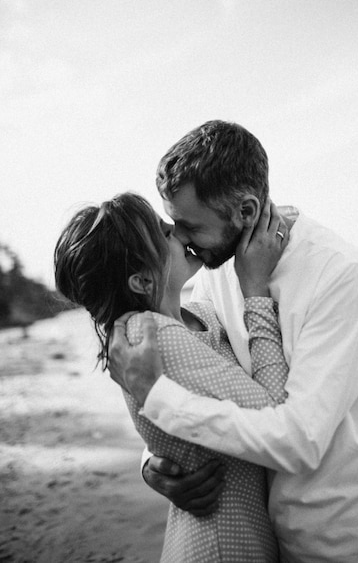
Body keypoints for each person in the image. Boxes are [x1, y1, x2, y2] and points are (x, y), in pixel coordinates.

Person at [109, 120, 358, 562]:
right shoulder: (216, 273)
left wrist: (158, 400)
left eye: (188, 225)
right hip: (270, 539)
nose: (177, 239)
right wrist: (154, 462)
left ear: (246, 212)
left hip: (357, 537)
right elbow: (210, 378)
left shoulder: (338, 273)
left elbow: (301, 441)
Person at [54, 190, 298, 562]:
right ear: (140, 281)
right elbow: (275, 414)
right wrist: (256, 292)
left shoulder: (197, 316)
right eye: (161, 231)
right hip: (220, 548)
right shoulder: (150, 334)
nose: (178, 230)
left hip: (237, 535)